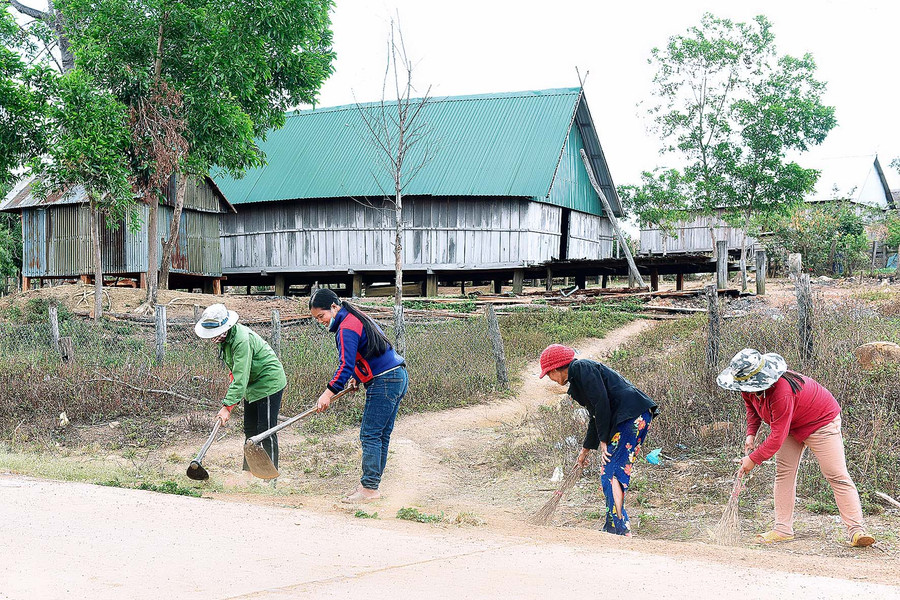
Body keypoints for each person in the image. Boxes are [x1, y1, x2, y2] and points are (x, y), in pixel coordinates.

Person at [716, 348, 876, 547]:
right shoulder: (747, 388)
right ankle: (782, 529)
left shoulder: (781, 392)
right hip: (790, 425)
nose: (745, 390)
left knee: (835, 474)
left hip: (821, 422)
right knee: (784, 473)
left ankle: (856, 531)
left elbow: (776, 437)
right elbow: (753, 408)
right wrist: (751, 433)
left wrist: (753, 459)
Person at [539, 343, 658, 536]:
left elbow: (602, 403)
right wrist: (585, 451)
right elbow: (595, 415)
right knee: (611, 472)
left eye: (549, 374)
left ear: (556, 368)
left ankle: (620, 529)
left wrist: (604, 441)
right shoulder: (579, 378)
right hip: (634, 416)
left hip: (630, 418)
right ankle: (613, 526)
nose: (550, 379)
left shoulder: (581, 368)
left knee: (611, 473)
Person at [309, 288, 408, 503]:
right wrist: (359, 377)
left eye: (321, 316)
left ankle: (369, 489)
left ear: (334, 307)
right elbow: (368, 352)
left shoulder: (346, 327)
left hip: (385, 381)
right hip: (397, 375)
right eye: (316, 318)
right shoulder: (356, 317)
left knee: (370, 435)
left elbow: (345, 365)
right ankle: (370, 485)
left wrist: (327, 393)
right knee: (380, 435)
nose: (321, 321)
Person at [194, 304, 287, 477]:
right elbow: (236, 369)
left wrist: (227, 406)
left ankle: (271, 478)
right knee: (251, 430)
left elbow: (241, 376)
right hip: (251, 385)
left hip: (269, 382)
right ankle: (249, 473)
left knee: (265, 430)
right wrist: (233, 393)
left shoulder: (241, 339)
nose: (213, 337)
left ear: (225, 327)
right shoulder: (224, 339)